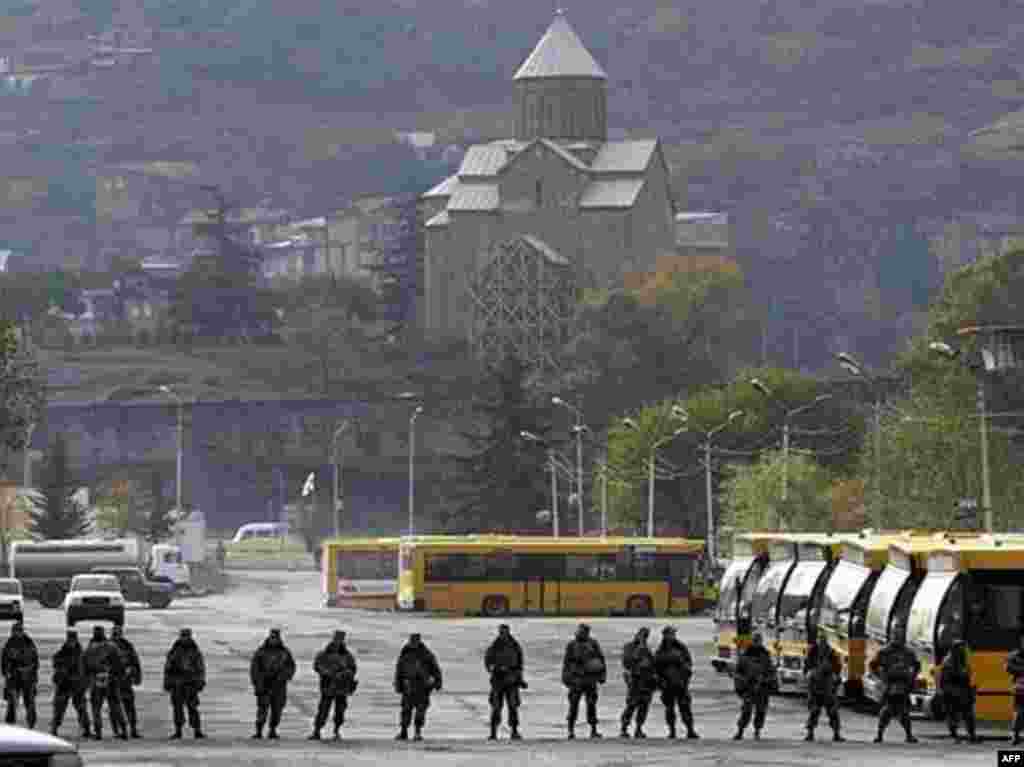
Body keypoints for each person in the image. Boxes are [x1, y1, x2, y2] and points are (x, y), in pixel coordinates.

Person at [869, 632, 920, 743]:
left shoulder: (908, 652)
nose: (898, 639)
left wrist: (912, 677)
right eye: (896, 637)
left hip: (903, 684)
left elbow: (917, 665)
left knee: (904, 711)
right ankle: (880, 734)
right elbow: (873, 665)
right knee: (887, 710)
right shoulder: (885, 651)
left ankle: (909, 735)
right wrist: (881, 677)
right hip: (890, 683)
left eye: (900, 637)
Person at [309, 630, 358, 741]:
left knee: (340, 711)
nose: (338, 642)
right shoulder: (324, 653)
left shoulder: (347, 656)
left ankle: (336, 730)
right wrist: (327, 673)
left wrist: (344, 674)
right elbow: (317, 665)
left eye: (340, 640)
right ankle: (317, 730)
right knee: (323, 710)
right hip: (328, 686)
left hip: (341, 688)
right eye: (336, 639)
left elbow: (353, 669)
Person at [393, 632, 442, 741]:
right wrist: (398, 684)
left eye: (415, 641)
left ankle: (417, 732)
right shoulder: (405, 653)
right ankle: (403, 732)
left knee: (420, 711)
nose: (413, 644)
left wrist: (437, 682)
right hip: (408, 687)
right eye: (412, 641)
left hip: (422, 688)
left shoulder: (426, 654)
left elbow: (435, 669)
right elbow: (399, 670)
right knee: (406, 710)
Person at [561, 623, 606, 740]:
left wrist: (602, 675)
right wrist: (566, 678)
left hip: (590, 679)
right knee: (573, 705)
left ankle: (593, 730)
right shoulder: (572, 645)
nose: (582, 634)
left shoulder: (593, 644)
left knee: (591, 705)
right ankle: (570, 730)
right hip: (576, 680)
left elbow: (601, 659)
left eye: (584, 632)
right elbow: (566, 662)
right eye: (581, 631)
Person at [250, 628, 296, 740]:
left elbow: (291, 667)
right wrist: (258, 683)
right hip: (264, 685)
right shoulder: (261, 652)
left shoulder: (285, 652)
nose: (273, 640)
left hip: (279, 686)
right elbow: (255, 669)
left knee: (277, 710)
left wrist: (283, 677)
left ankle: (273, 730)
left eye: (275, 638)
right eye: (272, 638)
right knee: (262, 709)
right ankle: (259, 730)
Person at [655, 625, 698, 739]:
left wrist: (685, 677)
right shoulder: (660, 650)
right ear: (665, 636)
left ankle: (690, 730)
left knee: (685, 708)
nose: (672, 636)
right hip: (667, 685)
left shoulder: (681, 648)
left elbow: (688, 663)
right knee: (670, 709)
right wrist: (661, 682)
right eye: (670, 634)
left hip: (681, 684)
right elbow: (656, 668)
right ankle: (672, 731)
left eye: (673, 634)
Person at [83, 626, 125, 740]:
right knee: (115, 705)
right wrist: (117, 676)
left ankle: (98, 732)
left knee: (96, 708)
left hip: (96, 680)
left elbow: (85, 665)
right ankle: (124, 730)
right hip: (111, 679)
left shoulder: (89, 648)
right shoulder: (112, 647)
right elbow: (120, 663)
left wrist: (86, 681)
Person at [484, 624, 525, 741]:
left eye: (505, 632)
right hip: (498, 682)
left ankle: (514, 731)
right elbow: (488, 661)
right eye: (501, 632)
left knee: (513, 707)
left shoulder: (515, 647)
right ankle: (493, 732)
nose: (503, 635)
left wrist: (519, 678)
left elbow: (520, 664)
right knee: (496, 707)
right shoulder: (494, 647)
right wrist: (494, 668)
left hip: (511, 682)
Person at [163, 628, 206, 739]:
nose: (185, 638)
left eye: (187, 636)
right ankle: (178, 731)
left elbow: (200, 668)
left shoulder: (195, 651)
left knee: (193, 708)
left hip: (191, 683)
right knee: (177, 708)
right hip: (177, 684)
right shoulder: (174, 651)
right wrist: (167, 682)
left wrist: (200, 681)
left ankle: (197, 730)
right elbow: (167, 668)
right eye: (183, 636)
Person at [732, 631, 776, 741]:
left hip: (762, 688)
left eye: (758, 640)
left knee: (760, 711)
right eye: (755, 640)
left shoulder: (766, 655)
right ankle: (740, 731)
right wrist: (742, 683)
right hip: (749, 688)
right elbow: (737, 672)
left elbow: (771, 672)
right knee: (746, 710)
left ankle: (757, 731)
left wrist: (767, 681)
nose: (756, 643)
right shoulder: (745, 655)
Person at [803, 634, 843, 742]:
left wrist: (835, 676)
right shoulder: (812, 652)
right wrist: (809, 674)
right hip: (815, 685)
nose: (822, 643)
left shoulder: (831, 652)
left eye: (824, 641)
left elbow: (838, 667)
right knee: (814, 710)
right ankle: (810, 733)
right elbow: (807, 666)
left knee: (833, 711)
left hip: (827, 686)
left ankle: (836, 733)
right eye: (820, 641)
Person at [619, 627, 657, 739]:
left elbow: (652, 664)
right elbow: (627, 662)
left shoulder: (647, 649)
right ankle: (624, 728)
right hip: (635, 681)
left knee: (644, 707)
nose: (644, 638)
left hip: (646, 682)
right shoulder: (629, 647)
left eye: (646, 636)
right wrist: (640, 648)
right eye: (643, 635)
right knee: (631, 705)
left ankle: (638, 729)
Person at [51, 630, 90, 738]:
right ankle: (54, 728)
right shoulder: (62, 652)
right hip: (64, 685)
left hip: (77, 685)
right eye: (70, 640)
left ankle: (86, 728)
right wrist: (61, 671)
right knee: (59, 708)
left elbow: (87, 669)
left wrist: (84, 682)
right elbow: (56, 662)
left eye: (73, 640)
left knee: (81, 708)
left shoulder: (81, 654)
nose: (71, 642)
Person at [937, 639, 978, 743]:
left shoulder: (962, 660)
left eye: (963, 648)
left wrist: (971, 689)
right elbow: (946, 679)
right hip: (952, 692)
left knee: (968, 715)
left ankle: (971, 735)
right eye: (961, 648)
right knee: (953, 715)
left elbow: (967, 675)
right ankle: (955, 736)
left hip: (963, 691)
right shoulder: (949, 661)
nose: (964, 650)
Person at [1, 620, 38, 729]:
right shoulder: (9, 644)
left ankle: (31, 724)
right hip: (14, 678)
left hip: (28, 678)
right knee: (12, 703)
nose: (17, 633)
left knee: (29, 702)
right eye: (15, 631)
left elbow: (35, 662)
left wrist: (30, 672)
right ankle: (10, 725)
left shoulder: (29, 643)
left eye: (19, 631)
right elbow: (4, 662)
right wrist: (7, 674)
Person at [111, 626, 142, 739]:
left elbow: (135, 661)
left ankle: (133, 729)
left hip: (125, 680)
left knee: (129, 706)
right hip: (113, 681)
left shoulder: (127, 646)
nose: (116, 636)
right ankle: (118, 730)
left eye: (118, 634)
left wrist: (136, 675)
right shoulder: (106, 646)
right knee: (115, 707)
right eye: (115, 634)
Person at [1007, 631, 1024, 745]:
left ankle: (1016, 735)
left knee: (1019, 712)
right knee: (1019, 712)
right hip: (1021, 688)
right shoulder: (1015, 655)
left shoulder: (1015, 656)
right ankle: (1015, 735)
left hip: (1020, 687)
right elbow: (1008, 667)